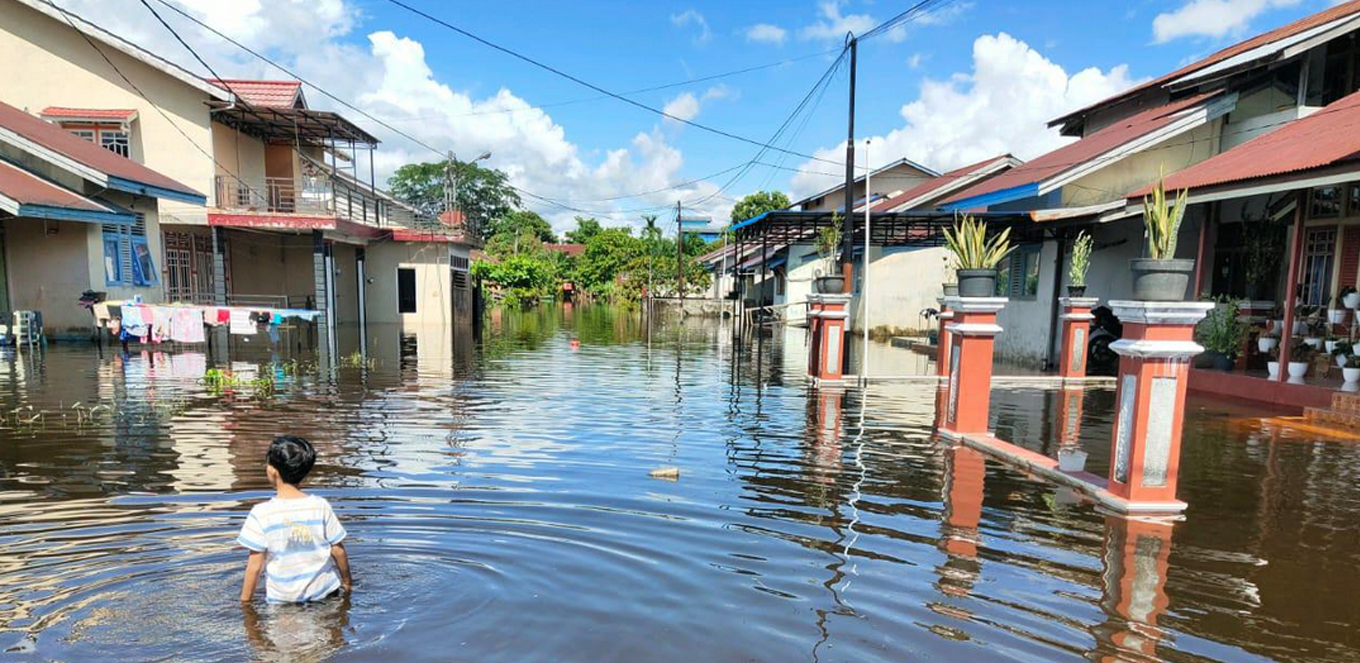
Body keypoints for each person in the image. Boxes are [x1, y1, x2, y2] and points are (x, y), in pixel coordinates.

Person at [237, 435, 352, 603]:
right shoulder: (320, 506)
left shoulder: (261, 513)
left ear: (272, 470)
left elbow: (255, 566)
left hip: (284, 600)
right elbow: (338, 550)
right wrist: (347, 583)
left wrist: (245, 603)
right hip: (326, 592)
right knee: (328, 627)